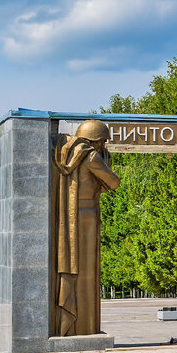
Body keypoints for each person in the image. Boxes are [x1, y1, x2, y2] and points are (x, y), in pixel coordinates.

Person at [52, 119, 121, 336]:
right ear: (96, 140)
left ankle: (76, 323)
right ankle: (85, 324)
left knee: (80, 267)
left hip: (70, 215)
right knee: (87, 270)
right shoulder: (91, 156)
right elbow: (113, 182)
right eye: (102, 142)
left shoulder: (68, 152)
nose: (104, 146)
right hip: (87, 216)